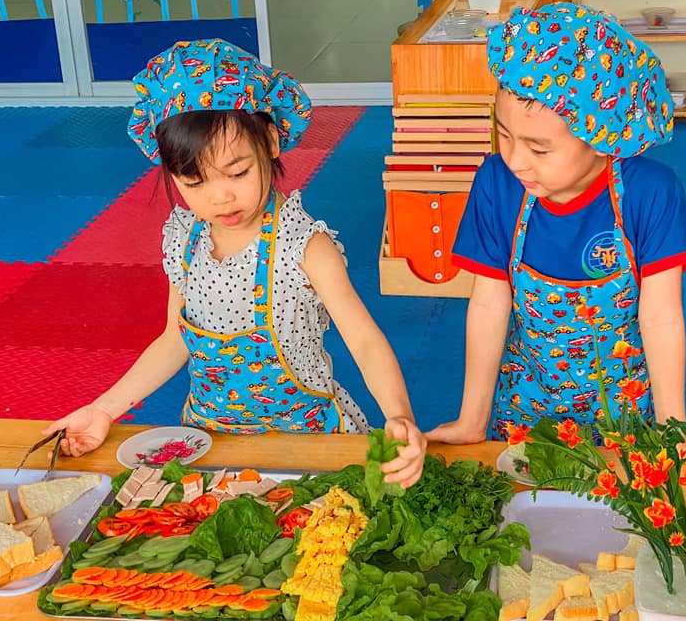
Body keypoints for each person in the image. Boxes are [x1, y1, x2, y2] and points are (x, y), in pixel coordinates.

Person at [46, 39, 425, 486]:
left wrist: (399, 414)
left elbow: (363, 339)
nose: (220, 197)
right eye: (194, 182)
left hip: (307, 444)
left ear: (271, 141)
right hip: (211, 447)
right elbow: (175, 338)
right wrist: (104, 409)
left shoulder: (304, 246)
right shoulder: (184, 241)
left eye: (238, 172)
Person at [426, 3, 686, 464]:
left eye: (539, 149)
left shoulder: (650, 192)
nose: (515, 160)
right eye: (503, 135)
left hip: (625, 421)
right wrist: (472, 419)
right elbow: (488, 304)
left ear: (605, 137)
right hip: (525, 412)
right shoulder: (496, 184)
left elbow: (661, 318)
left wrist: (673, 433)